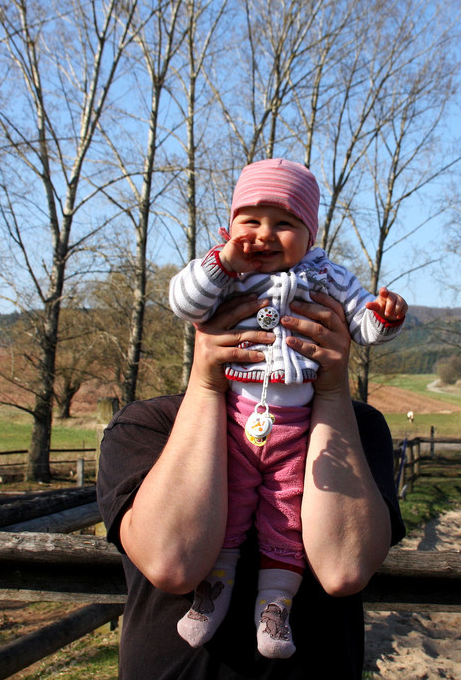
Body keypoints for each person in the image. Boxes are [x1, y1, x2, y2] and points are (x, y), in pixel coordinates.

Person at [166, 158, 406, 658]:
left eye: (285, 224)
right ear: (230, 226)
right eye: (250, 220)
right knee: (226, 502)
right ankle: (211, 594)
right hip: (234, 416)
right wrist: (219, 264)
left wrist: (381, 317)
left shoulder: (326, 275)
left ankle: (275, 608)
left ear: (310, 235)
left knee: (287, 509)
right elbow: (184, 303)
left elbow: (361, 322)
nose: (265, 234)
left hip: (299, 425)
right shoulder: (225, 272)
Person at [97, 290, 406, 678]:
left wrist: (330, 389)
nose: (270, 332)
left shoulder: (357, 426)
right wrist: (206, 384)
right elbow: (173, 564)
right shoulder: (146, 425)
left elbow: (343, 568)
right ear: (203, 319)